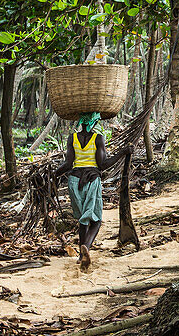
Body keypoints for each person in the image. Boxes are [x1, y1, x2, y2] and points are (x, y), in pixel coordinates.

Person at [54, 112, 130, 269]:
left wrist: (53, 174)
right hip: (91, 180)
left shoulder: (72, 138)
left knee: (83, 219)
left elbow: (68, 164)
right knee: (96, 220)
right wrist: (122, 153)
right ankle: (86, 248)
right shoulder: (98, 138)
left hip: (74, 182)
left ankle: (81, 256)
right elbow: (102, 164)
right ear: (94, 123)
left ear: (81, 122)